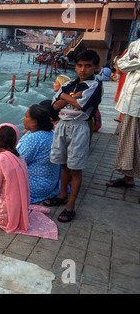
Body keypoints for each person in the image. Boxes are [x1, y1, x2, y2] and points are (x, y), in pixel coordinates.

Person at [44, 50, 102, 223]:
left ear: (96, 67)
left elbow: (81, 105)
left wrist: (65, 98)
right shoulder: (69, 85)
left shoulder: (94, 86)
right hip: (62, 126)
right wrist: (70, 97)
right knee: (63, 164)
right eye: (79, 65)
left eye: (88, 66)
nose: (83, 69)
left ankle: (70, 206)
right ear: (75, 66)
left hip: (79, 127)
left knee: (75, 168)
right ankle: (62, 195)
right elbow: (55, 106)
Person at [107, 30, 140, 189]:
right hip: (132, 102)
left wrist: (134, 60)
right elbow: (122, 64)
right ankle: (128, 177)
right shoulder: (135, 44)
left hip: (136, 100)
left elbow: (125, 63)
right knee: (128, 140)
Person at [17, 104, 61, 204]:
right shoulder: (49, 133)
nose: (23, 118)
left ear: (35, 122)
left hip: (38, 186)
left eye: (27, 116)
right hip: (49, 183)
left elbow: (17, 162)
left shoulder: (35, 138)